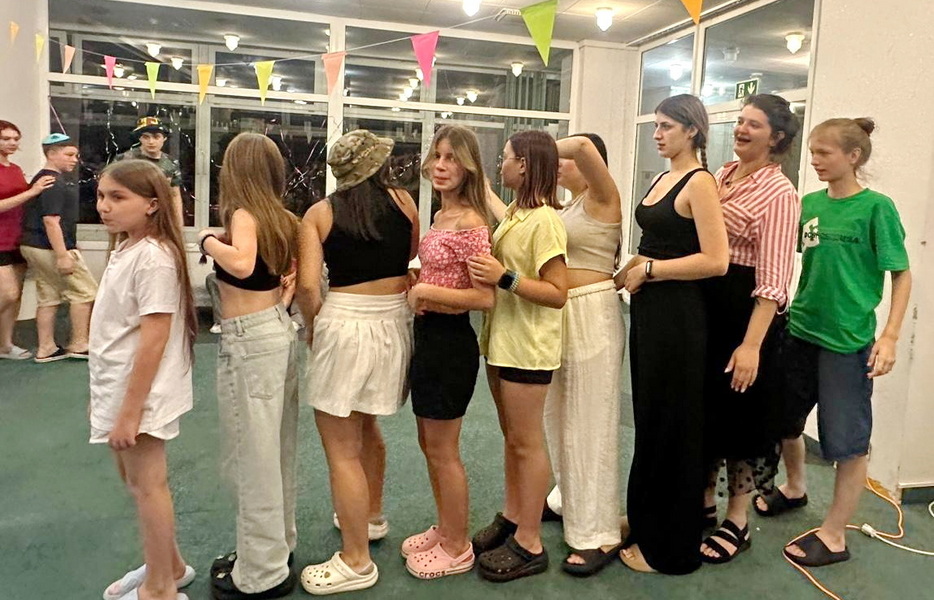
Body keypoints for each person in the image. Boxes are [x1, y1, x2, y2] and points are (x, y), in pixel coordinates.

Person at [487, 133, 625, 576]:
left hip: (592, 314)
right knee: (556, 420)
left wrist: (534, 151)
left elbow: (582, 145)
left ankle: (597, 532)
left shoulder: (603, 198)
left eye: (562, 161)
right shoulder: (559, 210)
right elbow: (512, 219)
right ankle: (568, 499)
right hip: (559, 319)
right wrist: (484, 185)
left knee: (589, 424)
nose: (561, 165)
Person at [779, 118, 911, 567]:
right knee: (786, 422)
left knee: (848, 443)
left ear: (853, 157)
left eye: (824, 153)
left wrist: (889, 336)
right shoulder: (810, 204)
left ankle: (834, 535)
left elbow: (901, 274)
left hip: (846, 343)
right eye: (812, 152)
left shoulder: (877, 208)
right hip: (800, 331)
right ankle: (794, 488)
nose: (814, 161)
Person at [296, 129, 419, 595]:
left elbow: (308, 286)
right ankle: (370, 516)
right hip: (394, 321)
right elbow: (410, 255)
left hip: (345, 321)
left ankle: (356, 560)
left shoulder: (320, 213)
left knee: (340, 449)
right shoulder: (405, 202)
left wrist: (315, 326)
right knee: (367, 426)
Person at [616, 94, 729, 575]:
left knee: (672, 425)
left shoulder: (700, 182)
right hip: (651, 312)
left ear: (692, 130)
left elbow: (716, 260)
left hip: (679, 318)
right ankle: (646, 518)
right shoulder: (663, 177)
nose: (657, 134)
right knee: (651, 419)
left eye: (666, 126)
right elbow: (655, 242)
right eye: (656, 125)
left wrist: (651, 270)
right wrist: (629, 270)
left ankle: (669, 545)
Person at [699, 94, 801, 564]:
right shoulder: (721, 174)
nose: (741, 129)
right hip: (708, 311)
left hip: (747, 318)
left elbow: (774, 281)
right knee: (707, 414)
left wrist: (751, 346)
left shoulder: (780, 194)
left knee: (741, 422)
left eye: (753, 125)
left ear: (776, 137)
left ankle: (737, 521)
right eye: (740, 121)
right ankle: (703, 503)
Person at [199, 133, 300, 600]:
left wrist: (206, 240)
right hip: (276, 329)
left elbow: (241, 265)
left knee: (252, 457)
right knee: (275, 450)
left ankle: (260, 573)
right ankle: (276, 549)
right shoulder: (282, 218)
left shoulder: (243, 214)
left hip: (250, 339)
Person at [91, 159, 198, 600]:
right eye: (101, 196)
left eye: (118, 197)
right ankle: (169, 566)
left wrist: (130, 412)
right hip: (118, 385)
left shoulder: (153, 257)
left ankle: (160, 589)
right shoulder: (127, 247)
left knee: (148, 487)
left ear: (152, 204)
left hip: (140, 395)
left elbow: (155, 338)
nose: (104, 206)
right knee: (134, 482)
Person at [467, 130, 568, 582]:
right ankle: (513, 516)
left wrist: (504, 277)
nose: (500, 164)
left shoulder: (545, 221)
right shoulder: (517, 213)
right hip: (503, 342)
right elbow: (494, 203)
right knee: (512, 437)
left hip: (528, 347)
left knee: (527, 442)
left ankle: (530, 541)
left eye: (505, 157)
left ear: (524, 165)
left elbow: (557, 292)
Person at [403, 125, 494, 579]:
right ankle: (446, 528)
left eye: (452, 158)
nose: (441, 166)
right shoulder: (440, 216)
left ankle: (458, 547)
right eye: (437, 156)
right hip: (428, 336)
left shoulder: (472, 222)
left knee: (443, 448)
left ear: (469, 166)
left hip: (451, 341)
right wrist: (421, 284)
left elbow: (484, 297)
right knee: (427, 443)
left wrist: (426, 292)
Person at [19, 133, 98, 362]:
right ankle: (80, 343)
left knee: (49, 296)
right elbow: (51, 221)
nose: (74, 160)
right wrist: (63, 255)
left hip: (33, 245)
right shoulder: (53, 182)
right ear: (52, 154)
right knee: (84, 292)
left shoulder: (43, 179)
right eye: (69, 155)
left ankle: (46, 348)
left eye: (76, 155)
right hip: (48, 247)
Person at [0, 121, 55, 360]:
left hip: (18, 238)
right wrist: (32, 191)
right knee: (8, 294)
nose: (12, 143)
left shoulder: (15, 169)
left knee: (16, 297)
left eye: (15, 138)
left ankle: (5, 345)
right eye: (6, 138)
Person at [117, 117, 184, 226]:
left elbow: (174, 195)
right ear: (140, 138)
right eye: (146, 137)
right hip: (131, 217)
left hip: (160, 218)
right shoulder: (124, 160)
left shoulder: (171, 163)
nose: (151, 142)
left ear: (164, 138)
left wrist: (178, 223)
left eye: (156, 137)